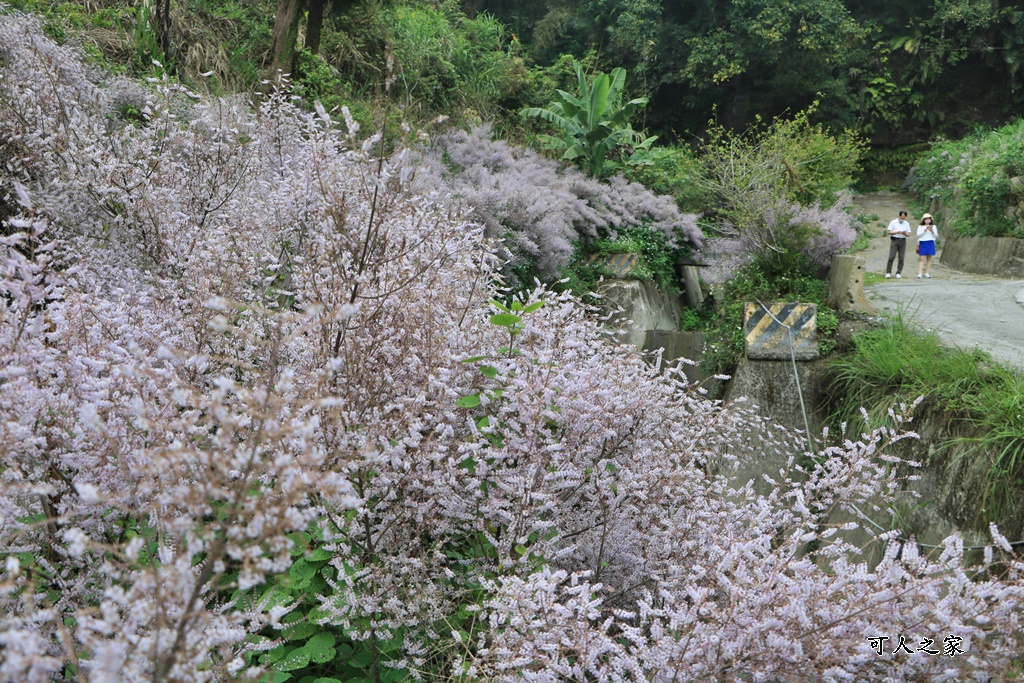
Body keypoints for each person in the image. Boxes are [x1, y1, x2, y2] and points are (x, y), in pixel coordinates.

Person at [884, 210, 912, 278]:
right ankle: (888, 272)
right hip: (895, 239)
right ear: (898, 216)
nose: (902, 219)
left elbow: (909, 233)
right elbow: (889, 232)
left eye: (904, 218)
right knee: (891, 256)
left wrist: (904, 233)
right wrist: (896, 232)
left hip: (902, 240)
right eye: (901, 217)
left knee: (901, 257)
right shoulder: (893, 222)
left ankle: (898, 272)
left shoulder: (906, 223)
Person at [916, 213, 938, 278]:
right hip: (923, 242)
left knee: (929, 258)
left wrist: (932, 231)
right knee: (922, 258)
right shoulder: (920, 227)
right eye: (926, 219)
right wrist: (925, 230)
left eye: (929, 219)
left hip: (930, 242)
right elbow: (918, 235)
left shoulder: (933, 227)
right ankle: (920, 273)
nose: (928, 221)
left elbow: (936, 236)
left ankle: (927, 273)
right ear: (923, 220)